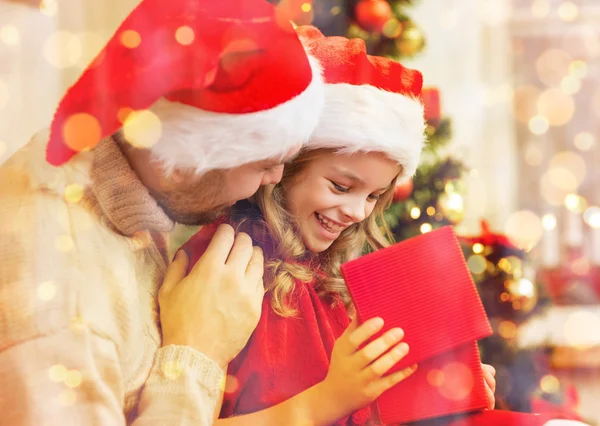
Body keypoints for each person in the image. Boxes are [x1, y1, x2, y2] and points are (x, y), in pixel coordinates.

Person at [0, 1, 324, 425]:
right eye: (263, 163)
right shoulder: (63, 316)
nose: (274, 178)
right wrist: (198, 352)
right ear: (183, 160)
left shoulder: (103, 173)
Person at [181, 27, 496, 426]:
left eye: (372, 197)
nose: (358, 213)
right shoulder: (221, 268)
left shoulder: (329, 278)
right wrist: (332, 398)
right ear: (284, 165)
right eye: (341, 186)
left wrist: (443, 399)